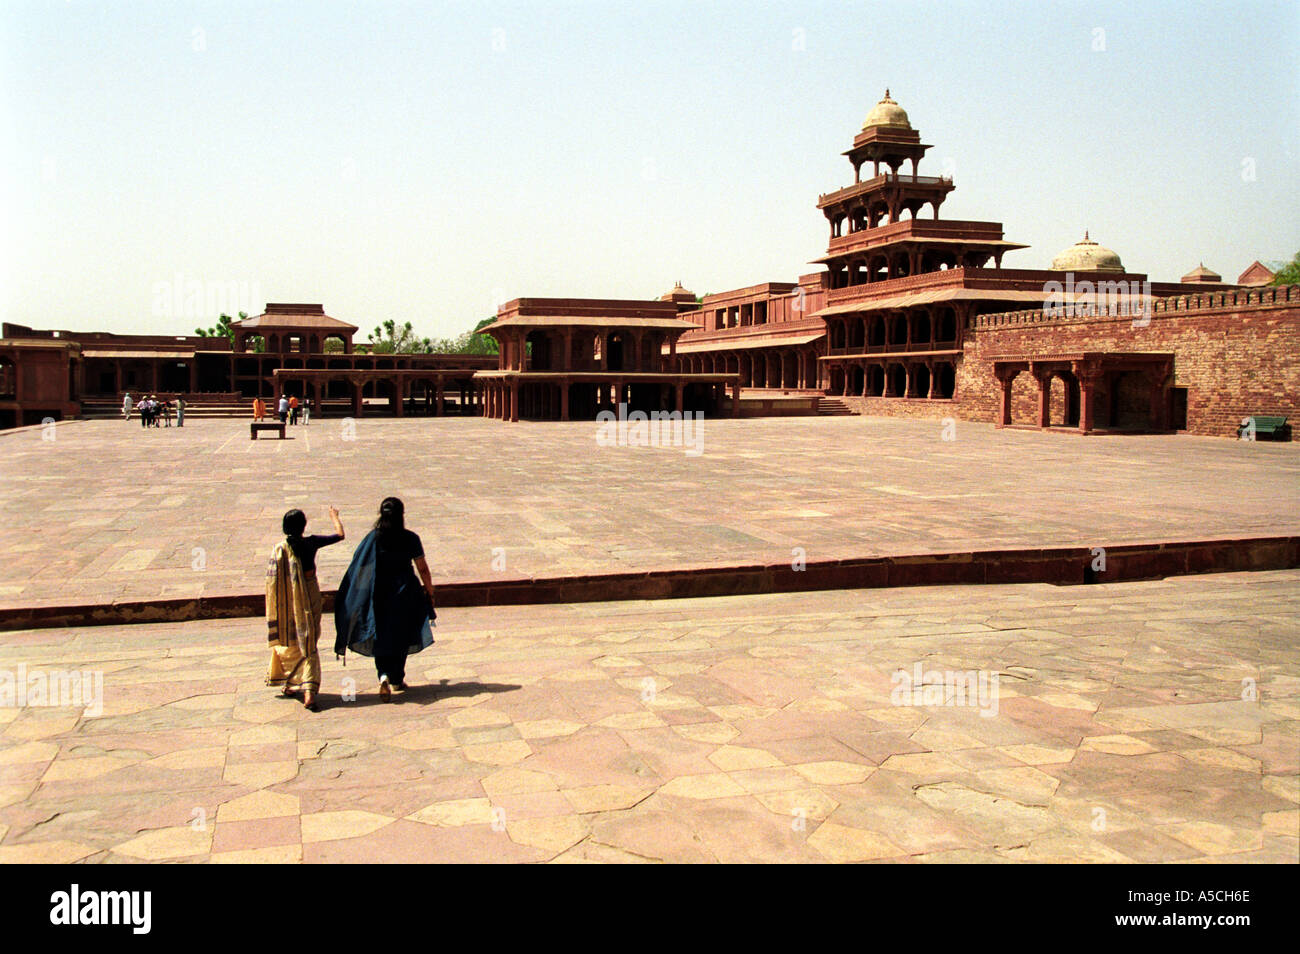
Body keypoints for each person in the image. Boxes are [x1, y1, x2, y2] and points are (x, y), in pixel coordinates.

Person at [335, 497, 435, 701]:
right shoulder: (410, 538)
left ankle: (383, 675)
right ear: (401, 515)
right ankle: (397, 678)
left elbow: (360, 566)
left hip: (379, 594)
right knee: (401, 635)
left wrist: (359, 596)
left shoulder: (373, 538)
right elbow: (422, 567)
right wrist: (430, 590)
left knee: (380, 634)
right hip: (405, 592)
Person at [266, 506, 346, 712]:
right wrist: (334, 516)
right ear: (303, 526)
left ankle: (292, 683)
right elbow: (340, 535)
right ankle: (307, 691)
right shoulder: (311, 542)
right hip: (309, 593)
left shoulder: (280, 549)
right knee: (308, 638)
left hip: (288, 599)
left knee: (292, 637)